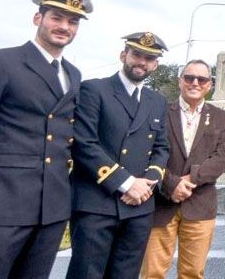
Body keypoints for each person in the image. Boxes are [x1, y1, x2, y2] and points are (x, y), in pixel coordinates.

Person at [0, 0, 93, 278]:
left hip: (51, 207)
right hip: (1, 201)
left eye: (72, 22)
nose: (64, 27)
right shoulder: (0, 62)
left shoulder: (73, 73)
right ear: (38, 18)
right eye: (56, 18)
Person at [67, 32, 170, 279]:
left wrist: (147, 183)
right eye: (136, 54)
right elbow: (85, 143)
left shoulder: (156, 100)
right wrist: (126, 184)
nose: (141, 62)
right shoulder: (94, 89)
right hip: (96, 203)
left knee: (126, 274)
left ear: (155, 64)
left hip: (139, 206)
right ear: (123, 55)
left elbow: (162, 148)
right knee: (87, 274)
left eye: (149, 58)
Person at [141, 59, 225, 279]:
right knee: (152, 272)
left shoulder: (221, 117)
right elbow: (147, 152)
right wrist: (171, 183)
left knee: (192, 273)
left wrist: (190, 178)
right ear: (180, 81)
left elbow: (224, 156)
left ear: (209, 84)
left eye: (201, 79)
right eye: (189, 77)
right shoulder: (161, 111)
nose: (195, 83)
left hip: (200, 204)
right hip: (161, 204)